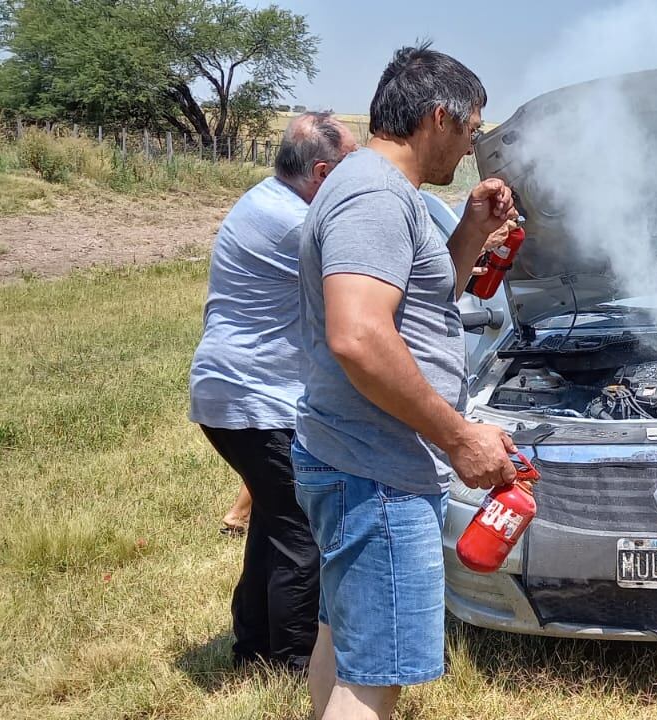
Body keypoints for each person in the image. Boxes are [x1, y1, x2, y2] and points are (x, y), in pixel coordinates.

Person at [293, 43, 518, 720]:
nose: (471, 147)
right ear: (440, 118)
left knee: (344, 642)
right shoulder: (373, 196)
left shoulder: (386, 190)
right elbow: (359, 336)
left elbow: (418, 304)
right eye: (473, 131)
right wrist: (457, 438)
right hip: (378, 471)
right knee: (376, 679)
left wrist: (473, 231)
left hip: (352, 455)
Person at [189, 112, 359, 670]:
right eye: (348, 168)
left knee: (273, 519)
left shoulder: (267, 198)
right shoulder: (295, 224)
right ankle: (289, 661)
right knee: (300, 534)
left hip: (230, 392)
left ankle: (252, 648)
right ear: (318, 171)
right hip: (255, 399)